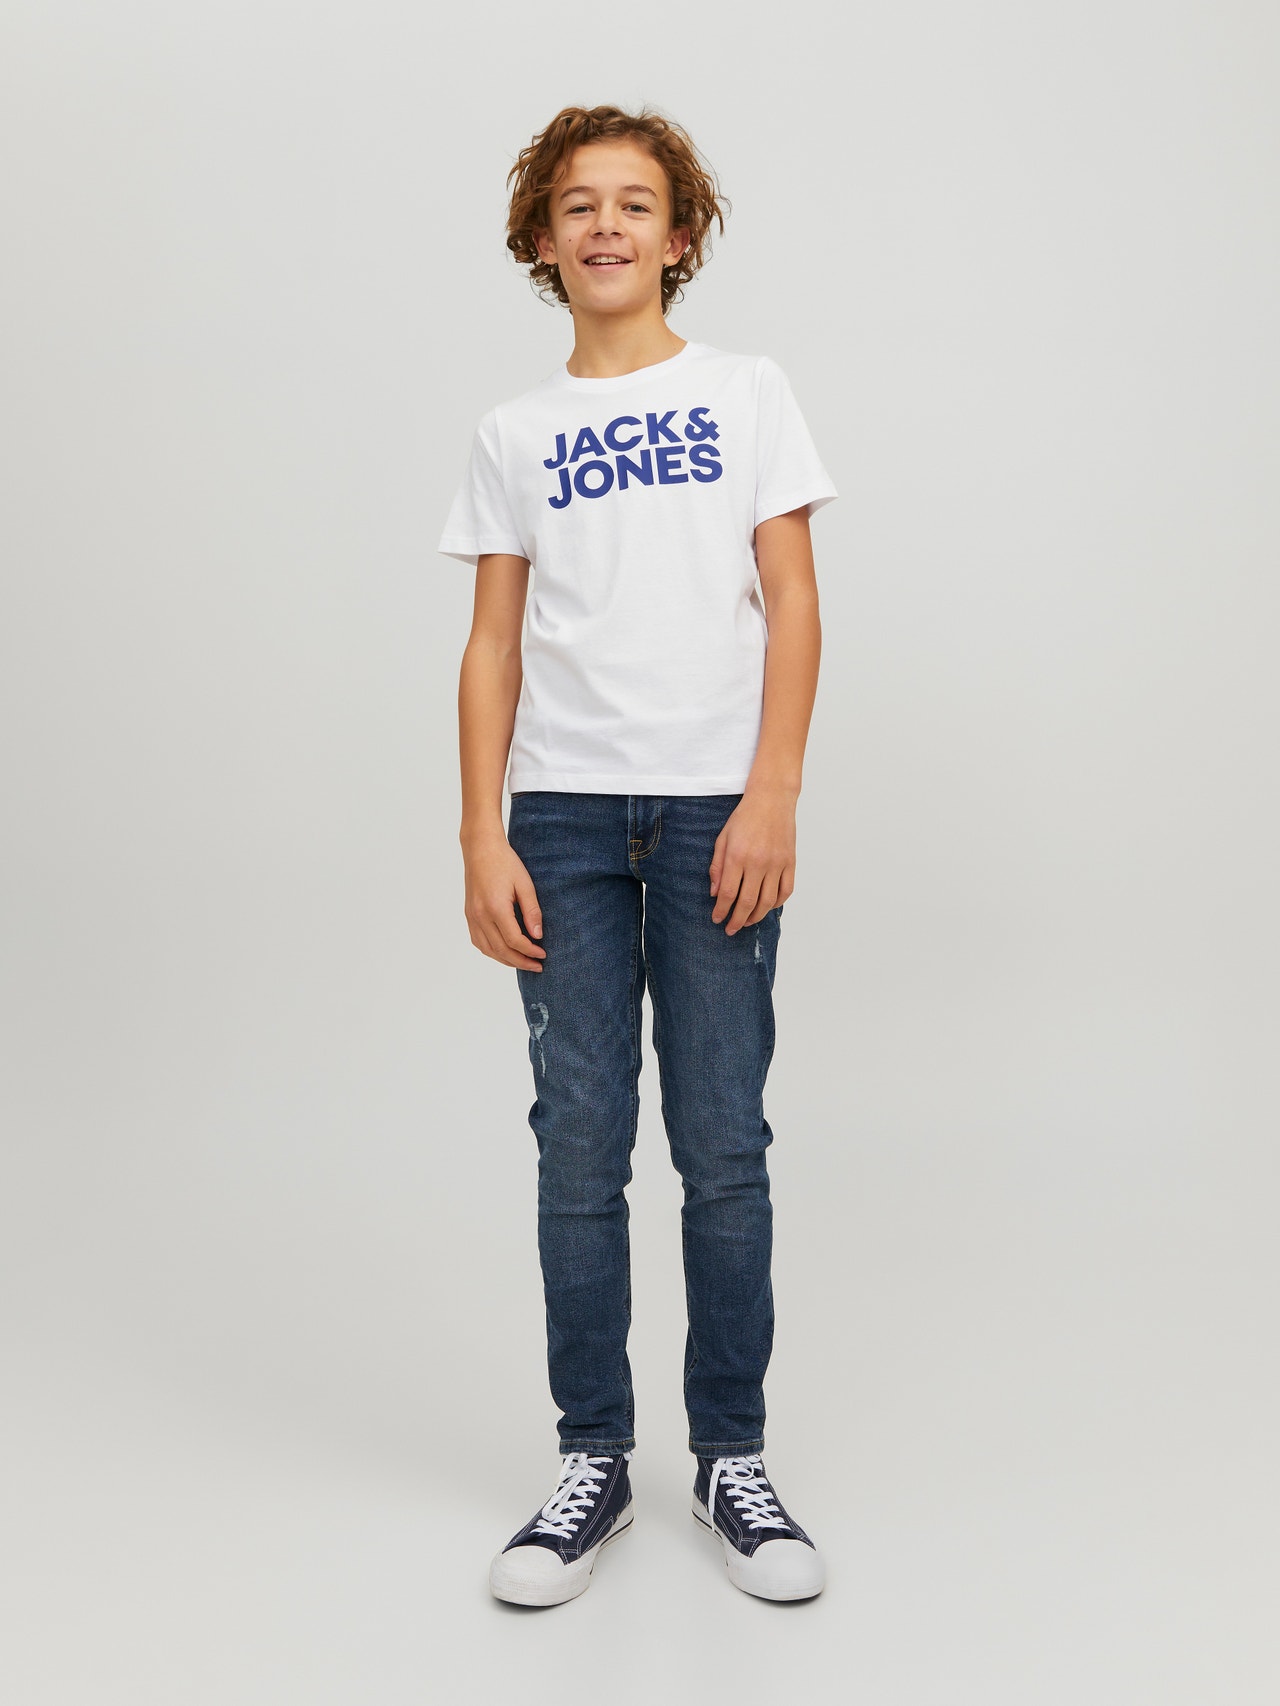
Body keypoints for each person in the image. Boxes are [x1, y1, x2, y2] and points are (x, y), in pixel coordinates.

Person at [437, 104, 837, 1607]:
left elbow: (793, 601)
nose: (606, 224)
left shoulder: (747, 392)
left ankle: (731, 1454)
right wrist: (481, 828)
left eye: (636, 202)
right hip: (562, 816)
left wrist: (772, 792)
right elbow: (491, 644)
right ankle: (592, 1457)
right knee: (580, 1143)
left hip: (714, 806)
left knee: (722, 1141)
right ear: (541, 241)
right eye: (578, 204)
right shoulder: (514, 432)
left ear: (680, 236)